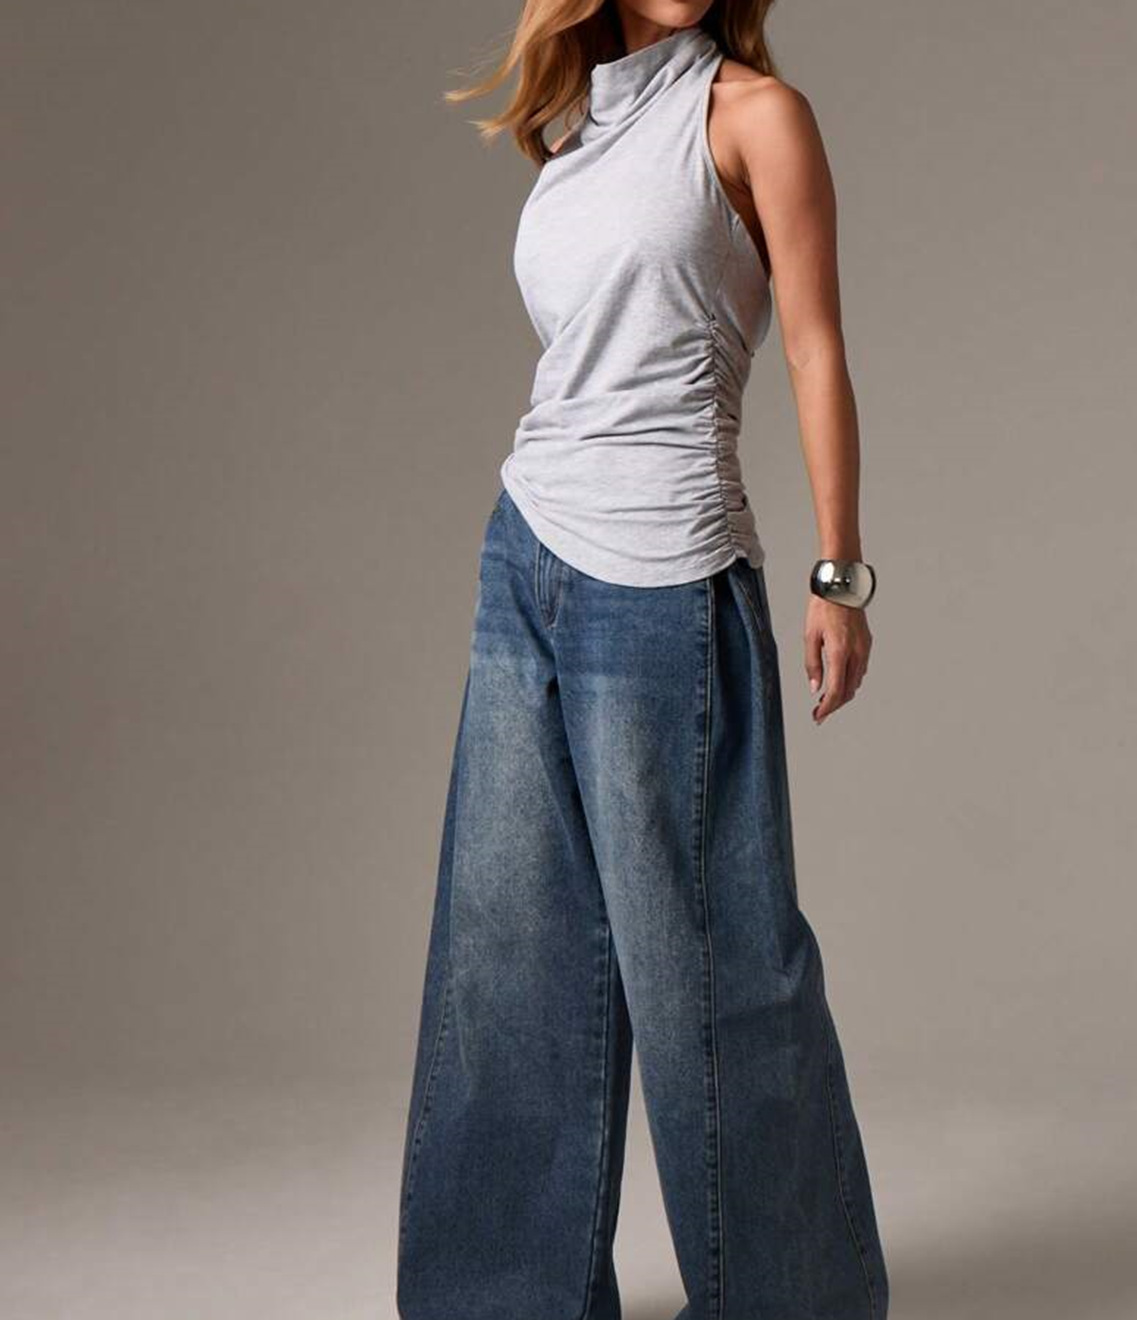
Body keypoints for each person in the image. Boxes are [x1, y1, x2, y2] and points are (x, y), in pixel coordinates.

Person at [396, 3, 890, 1317]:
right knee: (508, 955)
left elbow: (814, 344)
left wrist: (839, 572)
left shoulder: (754, 117)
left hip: (664, 578)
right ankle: (501, 1300)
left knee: (714, 972)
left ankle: (795, 1299)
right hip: (525, 556)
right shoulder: (575, 134)